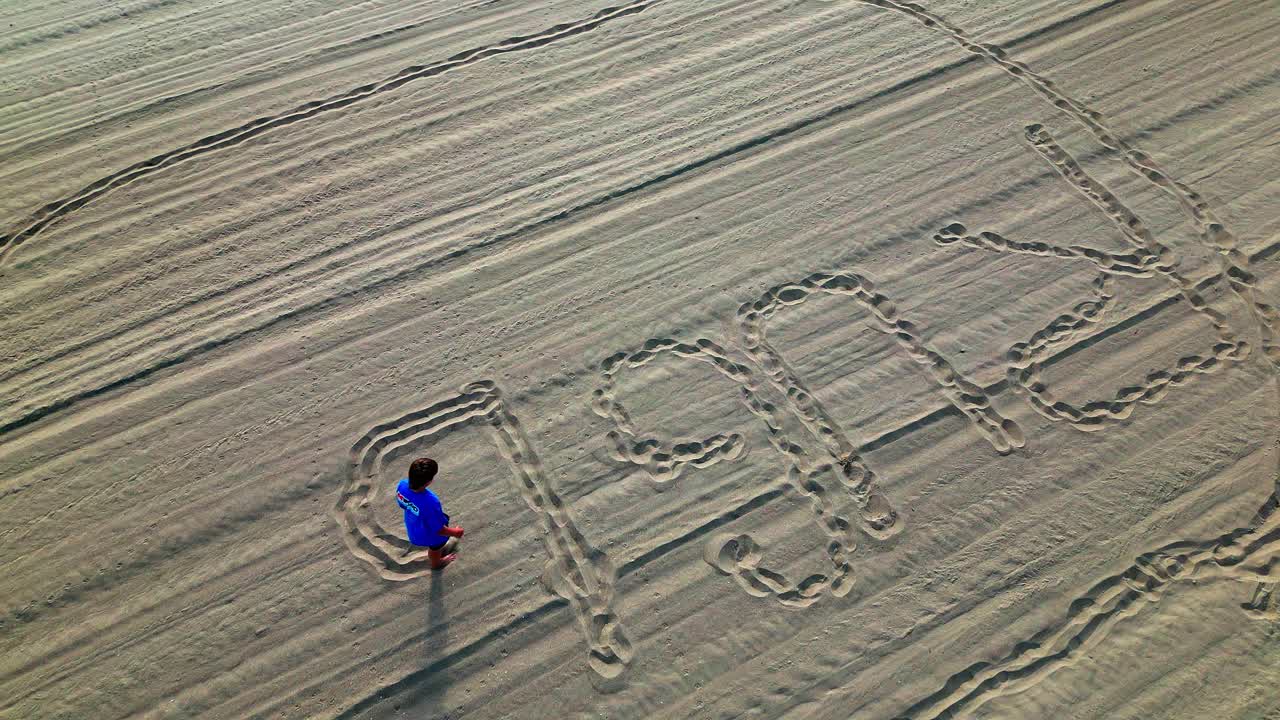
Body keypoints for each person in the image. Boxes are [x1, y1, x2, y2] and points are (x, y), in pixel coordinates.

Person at [396, 457, 465, 569]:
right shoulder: (431, 502)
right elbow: (439, 530)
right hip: (430, 536)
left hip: (413, 526)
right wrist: (456, 532)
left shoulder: (402, 485)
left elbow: (402, 505)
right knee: (435, 548)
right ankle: (436, 563)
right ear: (428, 481)